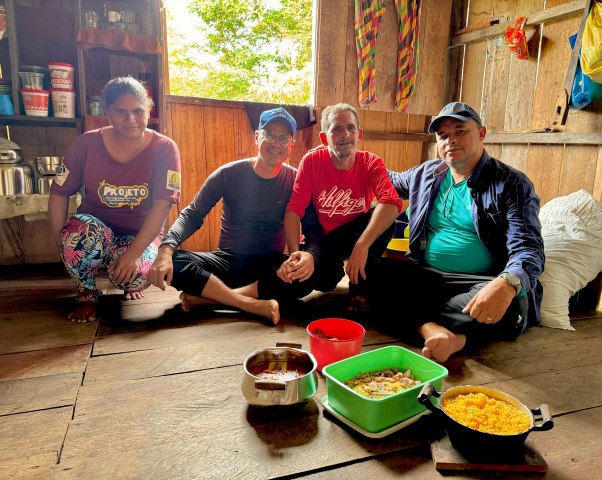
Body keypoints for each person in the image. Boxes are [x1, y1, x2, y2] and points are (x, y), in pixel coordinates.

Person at [367, 102, 545, 362]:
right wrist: (347, 158)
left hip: (480, 281)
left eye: (460, 131)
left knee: (513, 300)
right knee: (371, 274)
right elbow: (384, 179)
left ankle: (428, 325)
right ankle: (443, 332)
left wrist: (506, 283)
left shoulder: (511, 183)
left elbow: (528, 248)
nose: (450, 140)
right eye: (443, 136)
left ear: (481, 134)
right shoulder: (427, 173)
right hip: (428, 277)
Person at [148, 107, 320, 325]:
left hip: (270, 268)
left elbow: (312, 227)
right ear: (257, 137)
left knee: (309, 272)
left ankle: (213, 300)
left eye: (283, 138)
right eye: (269, 135)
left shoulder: (296, 180)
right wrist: (166, 247)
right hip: (227, 263)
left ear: (291, 145)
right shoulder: (228, 173)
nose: (276, 143)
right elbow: (193, 214)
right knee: (173, 261)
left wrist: (309, 256)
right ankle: (250, 304)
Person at [240, 103, 403, 309]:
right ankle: (232, 296)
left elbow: (392, 202)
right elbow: (293, 212)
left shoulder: (370, 162)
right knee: (306, 279)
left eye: (351, 128)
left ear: (359, 134)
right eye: (337, 129)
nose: (345, 134)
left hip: (357, 236)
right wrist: (294, 256)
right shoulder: (312, 161)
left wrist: (361, 246)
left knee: (384, 220)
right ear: (325, 138)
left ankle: (359, 288)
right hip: (323, 243)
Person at [48, 76, 181, 323]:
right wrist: (61, 241)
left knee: (140, 275)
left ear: (148, 110)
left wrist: (133, 254)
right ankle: (86, 294)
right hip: (96, 230)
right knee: (75, 241)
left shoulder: (165, 148)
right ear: (107, 112)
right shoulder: (86, 143)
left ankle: (125, 278)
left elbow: (163, 205)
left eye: (138, 112)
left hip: (139, 234)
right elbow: (59, 191)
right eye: (121, 112)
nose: (131, 120)